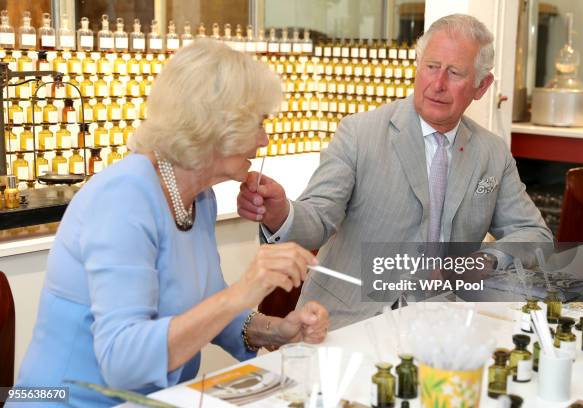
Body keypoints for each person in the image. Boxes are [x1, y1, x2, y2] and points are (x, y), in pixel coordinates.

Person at [13, 40, 328, 407]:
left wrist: (278, 329)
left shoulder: (199, 199)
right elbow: (123, 362)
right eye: (257, 123)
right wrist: (243, 290)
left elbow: (210, 308)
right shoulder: (123, 199)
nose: (264, 139)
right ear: (215, 126)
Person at [237, 14, 553, 329]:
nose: (438, 84)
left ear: (481, 86)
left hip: (443, 326)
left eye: (454, 73)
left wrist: (487, 259)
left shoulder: (492, 153)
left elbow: (536, 235)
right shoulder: (359, 133)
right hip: (350, 323)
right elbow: (318, 219)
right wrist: (280, 213)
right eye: (431, 67)